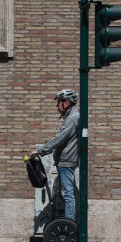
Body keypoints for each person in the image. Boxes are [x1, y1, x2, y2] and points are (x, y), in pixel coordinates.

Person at [31, 89, 80, 221]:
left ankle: (69, 223)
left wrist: (40, 150)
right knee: (66, 193)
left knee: (67, 194)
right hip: (66, 160)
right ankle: (69, 222)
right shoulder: (71, 117)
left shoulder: (71, 119)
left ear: (67, 103)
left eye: (59, 102)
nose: (57, 105)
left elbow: (59, 138)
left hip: (66, 161)